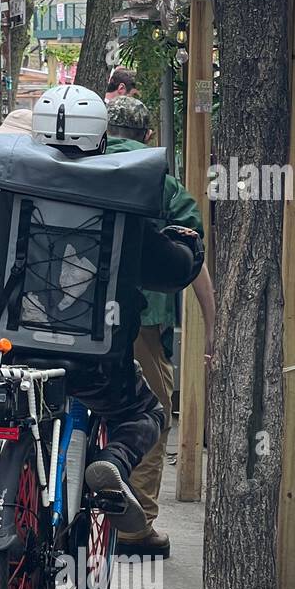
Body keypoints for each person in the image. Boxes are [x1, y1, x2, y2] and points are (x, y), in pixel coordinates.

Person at [0, 85, 204, 532]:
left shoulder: (10, 191)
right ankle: (112, 461)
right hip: (96, 362)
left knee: (19, 418)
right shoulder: (120, 194)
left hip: (15, 353)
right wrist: (188, 246)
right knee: (144, 411)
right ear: (101, 138)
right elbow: (169, 271)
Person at [105, 94, 215, 557]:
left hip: (69, 318)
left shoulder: (73, 163)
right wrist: (214, 324)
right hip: (143, 323)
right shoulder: (163, 184)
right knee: (148, 413)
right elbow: (192, 260)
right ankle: (134, 526)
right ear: (147, 137)